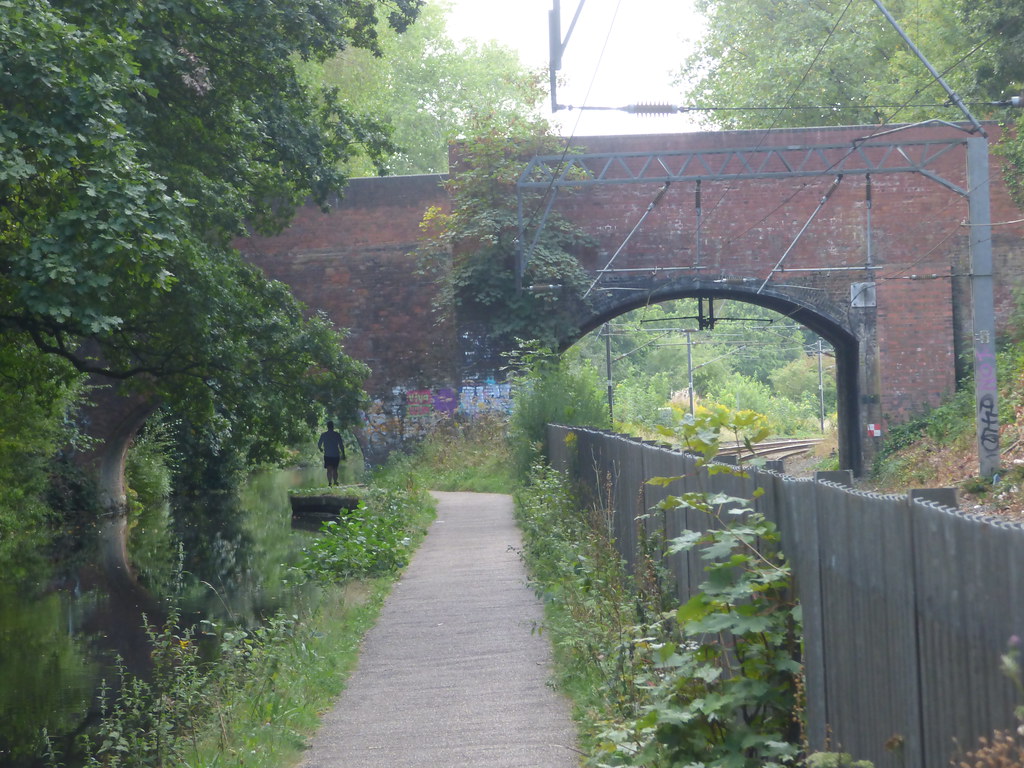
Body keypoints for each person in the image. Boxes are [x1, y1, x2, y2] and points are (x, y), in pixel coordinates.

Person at [317, 421, 346, 486]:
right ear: (333, 426)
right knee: (335, 469)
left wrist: (321, 449)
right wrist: (343, 453)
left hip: (327, 454)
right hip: (335, 454)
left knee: (329, 470)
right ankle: (335, 482)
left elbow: (319, 444)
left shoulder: (323, 435)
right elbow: (341, 445)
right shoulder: (337, 434)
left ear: (327, 426)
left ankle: (330, 483)